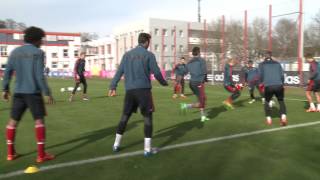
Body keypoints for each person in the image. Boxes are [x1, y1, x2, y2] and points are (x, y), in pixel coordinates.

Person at [109, 33, 168, 157]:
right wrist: (164, 83)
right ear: (146, 42)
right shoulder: (149, 55)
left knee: (125, 117)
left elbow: (119, 72)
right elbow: (156, 72)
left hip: (130, 91)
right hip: (144, 92)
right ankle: (147, 150)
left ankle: (116, 145)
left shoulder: (127, 55)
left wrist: (113, 86)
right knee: (147, 118)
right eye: (149, 42)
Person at [2, 26, 55, 163]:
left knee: (13, 121)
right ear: (36, 40)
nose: (42, 42)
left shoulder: (14, 52)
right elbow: (39, 75)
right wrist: (47, 92)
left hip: (18, 92)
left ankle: (10, 154)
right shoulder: (38, 53)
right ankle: (41, 155)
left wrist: (5, 89)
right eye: (41, 40)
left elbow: (7, 72)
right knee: (39, 121)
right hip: (33, 93)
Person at [180, 47, 210, 122]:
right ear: (199, 52)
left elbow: (185, 71)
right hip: (199, 83)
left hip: (192, 83)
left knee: (202, 99)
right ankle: (185, 106)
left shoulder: (189, 62)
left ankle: (203, 116)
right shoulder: (201, 60)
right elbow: (204, 71)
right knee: (202, 101)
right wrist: (206, 79)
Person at [259, 51, 287, 126]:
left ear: (265, 56)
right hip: (279, 85)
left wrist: (261, 83)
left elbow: (260, 75)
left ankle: (269, 119)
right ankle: (283, 117)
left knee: (267, 102)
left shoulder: (261, 64)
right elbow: (282, 75)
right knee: (281, 101)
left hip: (268, 86)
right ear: (271, 56)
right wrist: (283, 84)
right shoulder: (277, 63)